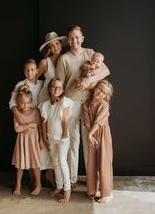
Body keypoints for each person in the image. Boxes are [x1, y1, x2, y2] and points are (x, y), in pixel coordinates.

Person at [56, 25, 110, 188]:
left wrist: (87, 82)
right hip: (70, 103)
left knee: (89, 142)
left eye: (77, 37)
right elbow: (60, 85)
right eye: (71, 37)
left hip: (88, 104)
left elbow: (105, 70)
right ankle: (72, 179)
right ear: (68, 40)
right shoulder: (64, 59)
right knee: (73, 142)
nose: (75, 40)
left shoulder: (90, 53)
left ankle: (92, 180)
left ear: (82, 38)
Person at [8, 58, 53, 188]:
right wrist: (19, 118)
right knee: (25, 151)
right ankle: (31, 178)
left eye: (32, 69)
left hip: (37, 118)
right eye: (27, 70)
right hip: (24, 118)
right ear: (24, 71)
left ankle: (41, 178)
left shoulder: (42, 84)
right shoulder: (20, 84)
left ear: (38, 71)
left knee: (38, 151)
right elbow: (12, 102)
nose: (30, 72)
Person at [39, 77, 73, 203]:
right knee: (55, 162)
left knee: (62, 161)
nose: (56, 89)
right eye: (54, 87)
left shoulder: (64, 102)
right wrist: (44, 137)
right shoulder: (45, 105)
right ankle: (59, 186)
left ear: (63, 89)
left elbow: (64, 118)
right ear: (49, 89)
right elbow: (44, 122)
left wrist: (64, 133)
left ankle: (67, 190)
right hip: (51, 137)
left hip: (63, 138)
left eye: (59, 87)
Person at [81, 79, 114, 203]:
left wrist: (90, 134)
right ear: (95, 88)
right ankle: (91, 190)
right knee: (92, 162)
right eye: (100, 89)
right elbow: (87, 122)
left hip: (103, 135)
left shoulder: (104, 105)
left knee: (104, 162)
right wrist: (90, 134)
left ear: (106, 96)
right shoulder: (85, 105)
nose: (100, 93)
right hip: (92, 135)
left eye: (104, 93)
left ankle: (107, 193)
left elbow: (98, 122)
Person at [11, 86, 42, 196]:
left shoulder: (35, 112)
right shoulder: (17, 114)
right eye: (23, 103)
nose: (25, 105)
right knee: (20, 165)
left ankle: (38, 185)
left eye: (28, 102)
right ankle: (18, 186)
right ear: (18, 103)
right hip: (22, 142)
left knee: (35, 164)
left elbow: (38, 126)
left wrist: (41, 140)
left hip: (33, 142)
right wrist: (28, 125)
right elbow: (17, 129)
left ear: (31, 102)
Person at [38, 31, 67, 104]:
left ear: (61, 43)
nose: (55, 47)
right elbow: (33, 78)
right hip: (46, 97)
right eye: (52, 45)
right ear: (49, 48)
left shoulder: (67, 58)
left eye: (57, 43)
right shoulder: (44, 63)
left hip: (62, 97)